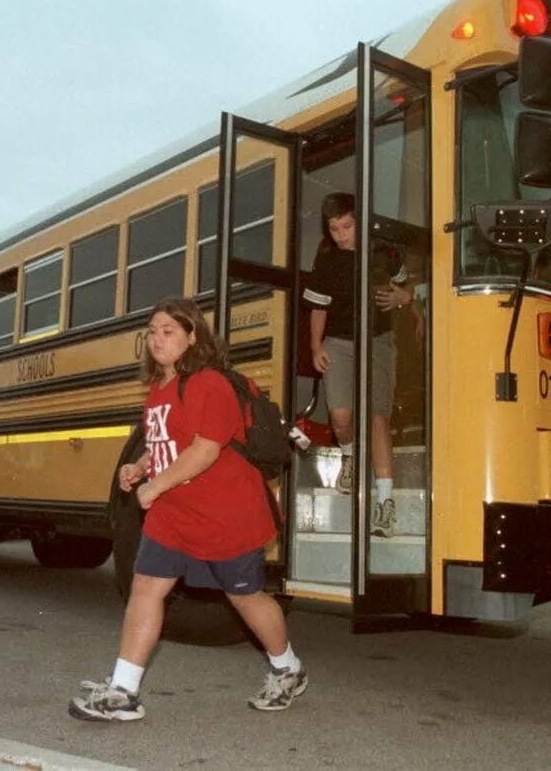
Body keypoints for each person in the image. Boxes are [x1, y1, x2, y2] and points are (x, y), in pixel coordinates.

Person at [69, 297, 306, 722]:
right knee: (145, 588)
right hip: (174, 514)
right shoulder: (159, 389)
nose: (157, 340)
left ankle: (287, 668)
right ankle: (124, 691)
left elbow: (206, 450)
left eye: (168, 332)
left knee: (245, 597)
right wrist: (140, 468)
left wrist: (154, 486)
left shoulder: (208, 383)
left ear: (192, 337)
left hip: (224, 515)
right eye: (153, 332)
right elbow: (167, 445)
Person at [302, 192, 413, 536]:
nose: (341, 234)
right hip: (338, 343)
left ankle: (385, 504)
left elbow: (407, 289)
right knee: (340, 416)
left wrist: (404, 297)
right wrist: (315, 346)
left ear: (360, 222)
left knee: (378, 417)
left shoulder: (386, 253)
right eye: (334, 229)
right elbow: (318, 308)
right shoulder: (327, 261)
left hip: (378, 343)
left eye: (347, 226)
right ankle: (349, 457)